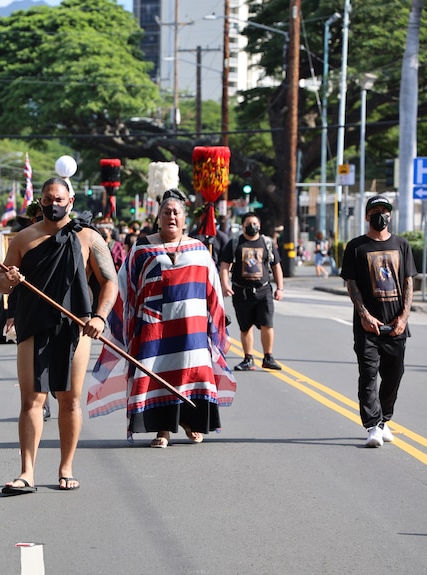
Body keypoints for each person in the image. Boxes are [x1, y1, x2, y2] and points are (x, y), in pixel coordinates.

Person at [0, 177, 118, 495]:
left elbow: (110, 283)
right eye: (48, 199)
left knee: (70, 399)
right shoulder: (23, 239)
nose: (54, 204)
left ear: (71, 201)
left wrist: (100, 318)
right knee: (32, 400)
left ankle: (66, 467)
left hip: (76, 327)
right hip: (33, 326)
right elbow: (0, 282)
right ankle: (27, 472)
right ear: (40, 201)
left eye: (59, 199)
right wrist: (8, 279)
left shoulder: (89, 238)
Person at [87, 190, 236, 447]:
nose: (171, 217)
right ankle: (162, 430)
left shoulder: (199, 250)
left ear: (184, 218)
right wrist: (108, 315)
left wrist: (218, 326)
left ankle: (192, 423)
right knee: (157, 373)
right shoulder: (142, 248)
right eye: (166, 212)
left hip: (192, 329)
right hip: (153, 328)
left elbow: (213, 290)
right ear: (158, 218)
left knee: (193, 371)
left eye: (176, 212)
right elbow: (124, 286)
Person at [340, 195, 417, 448]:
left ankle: (384, 419)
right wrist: (364, 315)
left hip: (396, 325)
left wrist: (404, 318)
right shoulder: (355, 247)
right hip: (367, 327)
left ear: (390, 215)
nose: (380, 215)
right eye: (375, 211)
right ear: (367, 216)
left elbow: (407, 281)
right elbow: (351, 283)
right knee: (369, 375)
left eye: (384, 211)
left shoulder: (401, 244)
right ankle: (372, 425)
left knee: (394, 375)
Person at [219, 212, 285, 371]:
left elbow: (276, 266)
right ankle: (248, 358)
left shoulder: (267, 243)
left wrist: (280, 288)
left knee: (267, 324)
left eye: (255, 223)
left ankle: (268, 357)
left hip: (264, 291)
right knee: (245, 327)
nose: (252, 226)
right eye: (249, 224)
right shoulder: (235, 243)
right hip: (241, 292)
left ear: (260, 226)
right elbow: (225, 265)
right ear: (243, 226)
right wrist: (225, 284)